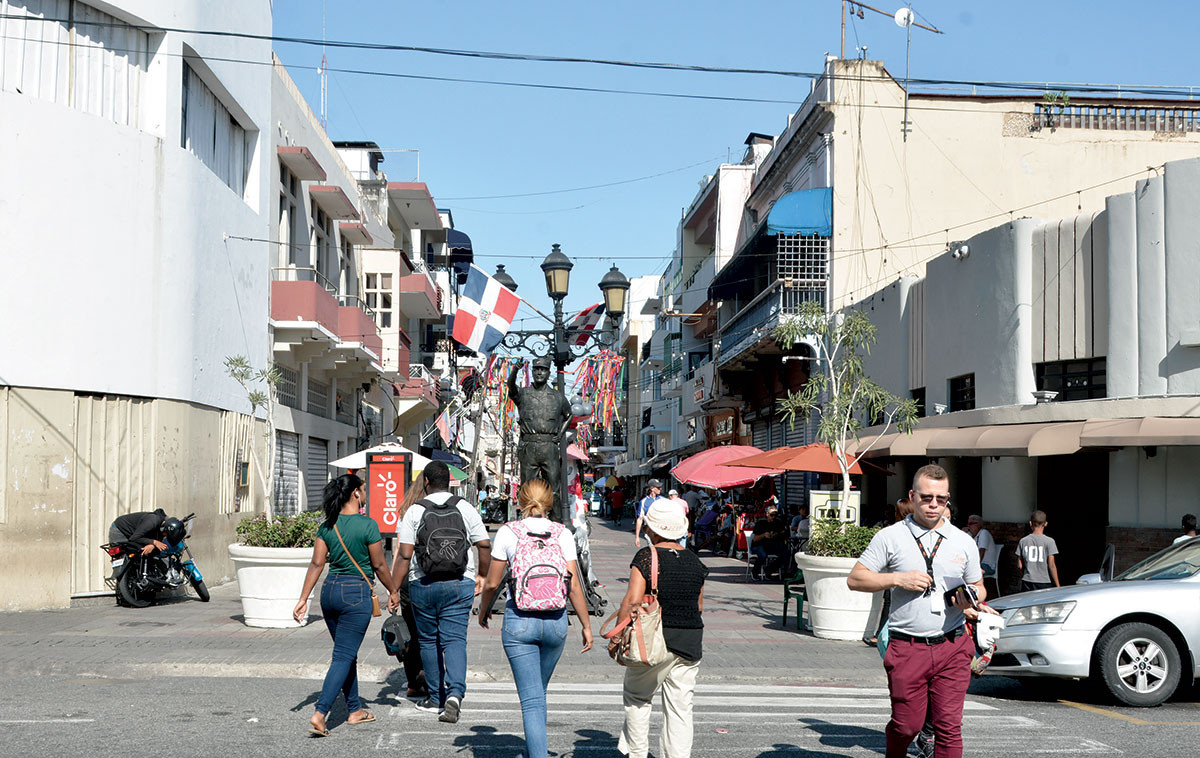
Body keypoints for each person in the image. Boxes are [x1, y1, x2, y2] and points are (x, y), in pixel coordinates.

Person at [847, 464, 985, 758]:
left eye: (941, 499)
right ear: (912, 496)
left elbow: (979, 585)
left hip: (953, 644)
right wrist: (898, 578)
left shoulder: (964, 541)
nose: (933, 505)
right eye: (926, 497)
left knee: (948, 727)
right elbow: (855, 579)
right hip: (907, 646)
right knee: (906, 726)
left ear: (948, 499)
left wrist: (969, 597)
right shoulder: (890, 537)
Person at [477, 480, 594, 758]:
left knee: (531, 701)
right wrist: (587, 626)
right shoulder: (562, 533)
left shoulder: (509, 532)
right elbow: (574, 584)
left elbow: (492, 583)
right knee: (538, 694)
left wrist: (483, 611)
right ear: (551, 502)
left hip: (520, 620)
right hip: (556, 623)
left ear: (520, 500)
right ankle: (535, 750)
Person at [293, 474, 400, 737]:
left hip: (329, 591)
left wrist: (303, 598)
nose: (365, 493)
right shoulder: (367, 525)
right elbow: (379, 565)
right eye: (363, 489)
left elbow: (317, 564)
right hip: (355, 593)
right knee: (343, 655)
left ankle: (354, 710)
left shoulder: (327, 525)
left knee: (346, 652)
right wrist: (393, 590)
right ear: (355, 493)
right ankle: (320, 713)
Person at [393, 461, 492, 723]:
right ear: (449, 481)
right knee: (455, 640)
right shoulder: (465, 507)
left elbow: (404, 555)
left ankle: (436, 698)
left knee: (428, 640)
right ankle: (455, 694)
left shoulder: (415, 511)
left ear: (426, 481)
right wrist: (482, 575)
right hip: (460, 583)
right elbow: (484, 544)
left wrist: (393, 589)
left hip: (422, 584)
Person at [618, 498, 708, 758]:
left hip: (654, 639)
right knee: (680, 709)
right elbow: (699, 605)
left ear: (653, 530)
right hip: (690, 640)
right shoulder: (694, 561)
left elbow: (633, 601)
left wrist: (618, 634)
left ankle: (636, 753)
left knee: (638, 697)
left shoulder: (647, 556)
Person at [1016, 511, 1059, 591]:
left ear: (1030, 523)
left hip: (1027, 581)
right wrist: (1057, 585)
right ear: (1046, 524)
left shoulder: (1023, 541)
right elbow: (1052, 565)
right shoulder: (1050, 541)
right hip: (1044, 581)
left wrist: (1024, 574)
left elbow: (1020, 565)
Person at [750, 506, 788, 580]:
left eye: (775, 515)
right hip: (759, 545)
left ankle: (769, 570)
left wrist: (777, 534)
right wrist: (764, 535)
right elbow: (755, 539)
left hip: (771, 545)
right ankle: (755, 572)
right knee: (762, 555)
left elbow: (783, 532)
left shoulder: (777, 523)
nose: (773, 517)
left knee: (785, 553)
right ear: (767, 514)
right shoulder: (761, 523)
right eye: (772, 515)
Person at [633, 479, 662, 547]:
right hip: (650, 531)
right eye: (658, 487)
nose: (660, 488)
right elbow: (640, 519)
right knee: (653, 550)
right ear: (652, 488)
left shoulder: (662, 500)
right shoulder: (644, 502)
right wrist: (637, 536)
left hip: (662, 530)